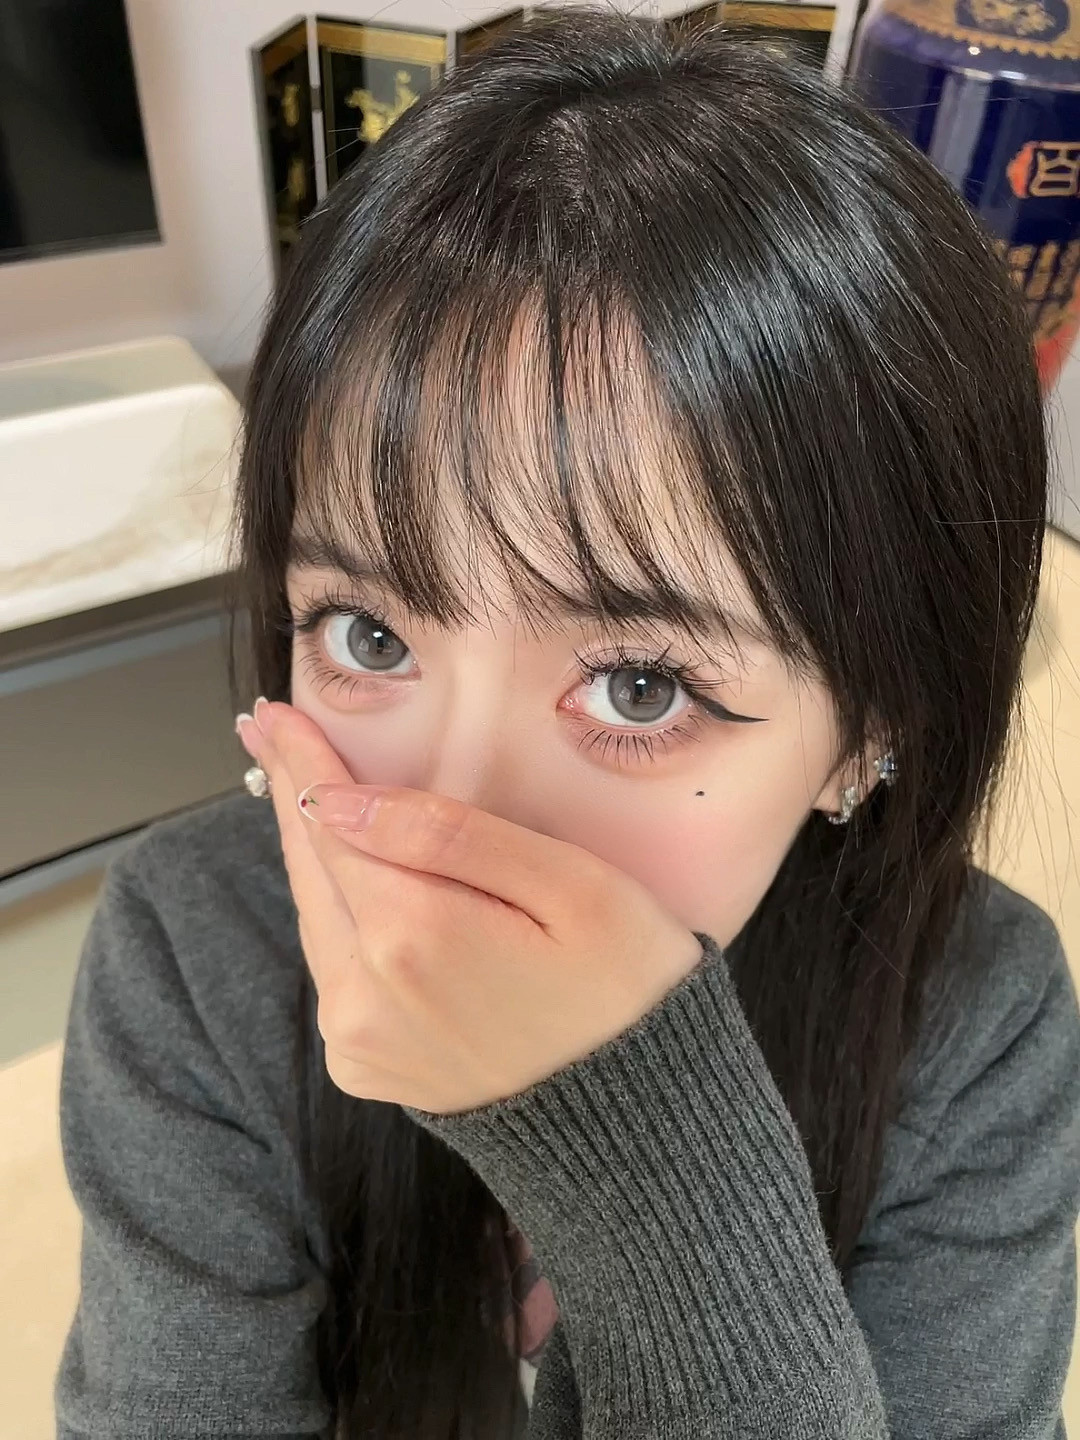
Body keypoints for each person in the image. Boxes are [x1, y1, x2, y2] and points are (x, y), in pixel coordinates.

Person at [54, 6, 1080, 1438]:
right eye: (368, 635)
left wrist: (646, 1168)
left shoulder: (974, 1020)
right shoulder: (197, 949)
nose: (450, 817)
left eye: (640, 688)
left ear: (868, 727)